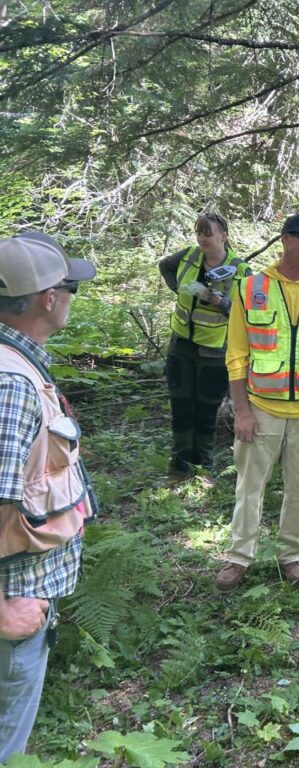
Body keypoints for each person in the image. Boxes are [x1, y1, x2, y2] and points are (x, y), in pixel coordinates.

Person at [214, 214, 299, 594]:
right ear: (286, 239)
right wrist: (242, 411)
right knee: (249, 486)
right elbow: (237, 355)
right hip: (262, 409)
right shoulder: (251, 288)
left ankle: (290, 555)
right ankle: (239, 557)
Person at [0, 232, 98, 761]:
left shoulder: (17, 366)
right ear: (48, 298)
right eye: (69, 288)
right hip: (12, 605)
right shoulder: (10, 383)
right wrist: (3, 612)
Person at [158, 213, 251, 479]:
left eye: (208, 233)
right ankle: (179, 468)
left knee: (206, 411)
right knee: (181, 408)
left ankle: (203, 470)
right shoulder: (188, 256)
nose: (202, 239)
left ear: (224, 236)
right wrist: (179, 288)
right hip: (181, 345)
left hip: (214, 351)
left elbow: (247, 312)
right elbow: (165, 266)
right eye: (199, 232)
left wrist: (219, 302)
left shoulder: (240, 269)